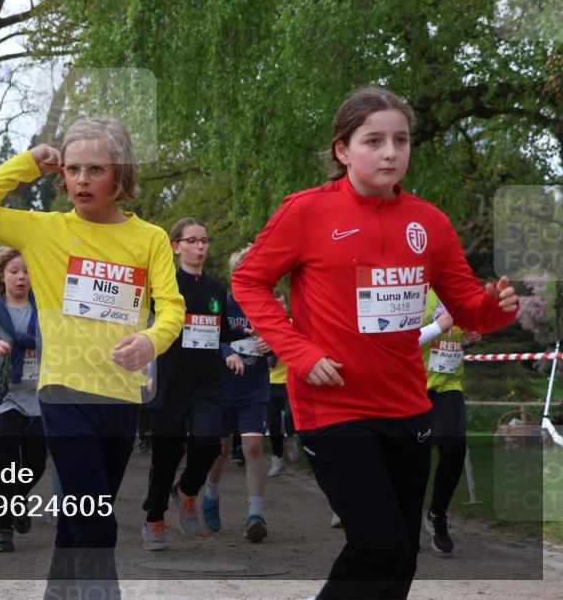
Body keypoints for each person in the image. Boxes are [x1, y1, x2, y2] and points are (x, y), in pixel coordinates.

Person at [231, 87, 519, 599]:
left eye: (401, 140)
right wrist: (299, 352)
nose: (390, 152)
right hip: (333, 406)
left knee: (401, 555)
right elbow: (249, 281)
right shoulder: (305, 212)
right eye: (374, 140)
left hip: (409, 405)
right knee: (377, 545)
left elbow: (469, 308)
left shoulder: (430, 222)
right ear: (343, 150)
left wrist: (497, 306)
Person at [0, 116, 185, 599]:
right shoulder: (44, 231)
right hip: (63, 392)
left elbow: (172, 308)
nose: (81, 180)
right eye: (73, 169)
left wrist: (151, 340)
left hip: (121, 396)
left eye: (95, 169)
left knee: (78, 517)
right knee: (97, 520)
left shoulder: (151, 239)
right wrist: (27, 165)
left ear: (119, 174)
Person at [141, 218, 228, 551]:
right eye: (192, 241)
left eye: (204, 241)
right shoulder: (163, 287)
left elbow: (224, 334)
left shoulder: (217, 290)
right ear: (176, 246)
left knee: (210, 444)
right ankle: (154, 518)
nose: (200, 247)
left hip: (206, 382)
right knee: (166, 455)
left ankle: (187, 490)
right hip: (169, 382)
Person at [0, 247, 46, 552]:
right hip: (3, 397)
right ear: (2, 275)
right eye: (15, 271)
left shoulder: (44, 310)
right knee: (7, 461)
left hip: (38, 395)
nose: (21, 277)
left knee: (37, 463)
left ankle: (17, 499)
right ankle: (2, 529)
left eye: (27, 271)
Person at [204, 243, 271, 542]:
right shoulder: (223, 303)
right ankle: (211, 494)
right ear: (235, 275)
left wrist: (272, 347)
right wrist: (227, 351)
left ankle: (255, 514)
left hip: (254, 389)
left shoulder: (267, 307)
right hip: (223, 388)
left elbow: (279, 351)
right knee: (220, 448)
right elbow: (210, 337)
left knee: (253, 448)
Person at [417, 289, 478, 554]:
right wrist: (436, 326)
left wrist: (468, 337)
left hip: (449, 384)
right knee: (414, 457)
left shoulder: (460, 294)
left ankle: (438, 514)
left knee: (454, 446)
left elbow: (458, 338)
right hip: (413, 386)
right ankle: (407, 524)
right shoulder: (414, 291)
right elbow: (395, 341)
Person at [267, 290, 298, 477]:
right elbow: (270, 362)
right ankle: (277, 459)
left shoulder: (294, 325)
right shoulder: (263, 327)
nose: (280, 308)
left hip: (290, 381)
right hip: (269, 383)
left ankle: (292, 437)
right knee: (272, 424)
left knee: (289, 417)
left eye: (283, 304)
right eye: (276, 305)